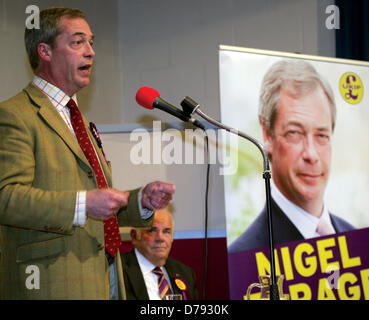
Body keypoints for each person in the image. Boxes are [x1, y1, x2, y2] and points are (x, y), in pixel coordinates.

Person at [0, 7, 175, 299]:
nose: (91, 52)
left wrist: (139, 202)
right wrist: (82, 205)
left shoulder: (78, 120)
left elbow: (98, 205)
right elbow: (6, 197)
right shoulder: (14, 115)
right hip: (50, 283)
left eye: (91, 42)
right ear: (44, 51)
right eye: (77, 42)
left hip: (104, 277)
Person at [229, 59, 355, 253]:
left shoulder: (358, 241)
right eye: (294, 133)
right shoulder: (246, 256)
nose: (311, 154)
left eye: (321, 135)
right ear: (267, 135)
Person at [121, 207, 198, 300]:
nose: (160, 238)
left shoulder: (186, 273)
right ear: (134, 236)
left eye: (166, 231)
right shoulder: (117, 271)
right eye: (152, 231)